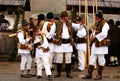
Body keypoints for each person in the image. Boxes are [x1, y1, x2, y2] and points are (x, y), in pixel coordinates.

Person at [52, 11, 82, 79]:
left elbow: (78, 26)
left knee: (68, 59)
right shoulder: (56, 23)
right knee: (59, 59)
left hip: (68, 44)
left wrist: (81, 24)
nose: (68, 17)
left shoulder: (70, 23)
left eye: (68, 16)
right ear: (63, 17)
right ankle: (58, 73)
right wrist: (48, 38)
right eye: (66, 16)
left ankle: (68, 73)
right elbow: (51, 32)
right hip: (60, 44)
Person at [82, 10, 110, 80]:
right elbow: (94, 32)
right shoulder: (96, 23)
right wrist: (92, 36)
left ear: (98, 16)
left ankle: (99, 75)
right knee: (92, 59)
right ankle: (89, 74)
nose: (94, 17)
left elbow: (104, 34)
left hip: (101, 45)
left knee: (101, 59)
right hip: (95, 44)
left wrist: (95, 36)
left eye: (95, 16)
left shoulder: (105, 24)